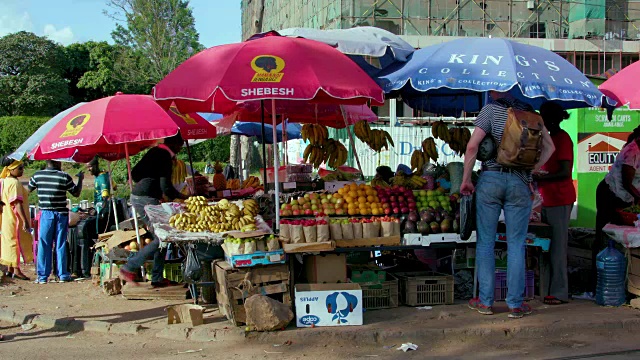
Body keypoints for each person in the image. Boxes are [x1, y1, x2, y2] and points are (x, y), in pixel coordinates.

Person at [460, 91, 555, 319]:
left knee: (485, 243)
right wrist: (530, 170)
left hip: (491, 179)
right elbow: (550, 148)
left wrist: (465, 180)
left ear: (496, 89)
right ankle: (515, 304)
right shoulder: (532, 115)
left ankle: (485, 302)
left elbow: (473, 147)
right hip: (519, 183)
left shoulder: (491, 110)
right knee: (516, 244)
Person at [119, 134, 188, 287]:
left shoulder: (155, 152)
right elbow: (167, 188)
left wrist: (150, 181)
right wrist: (184, 197)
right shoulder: (164, 156)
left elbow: (135, 173)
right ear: (174, 144)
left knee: (161, 236)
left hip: (142, 196)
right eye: (180, 145)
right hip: (145, 199)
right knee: (161, 238)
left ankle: (157, 277)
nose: (180, 149)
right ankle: (129, 266)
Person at [534, 102, 576, 305]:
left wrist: (541, 178)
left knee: (558, 249)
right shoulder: (546, 139)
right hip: (546, 199)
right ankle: (546, 289)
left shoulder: (563, 139)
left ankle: (559, 292)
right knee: (545, 248)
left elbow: (564, 172)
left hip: (560, 199)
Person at [593, 126, 640, 296]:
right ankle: (598, 282)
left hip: (624, 197)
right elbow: (628, 183)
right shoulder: (631, 151)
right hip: (611, 195)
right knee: (605, 235)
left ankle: (625, 278)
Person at [28, 160, 84, 284]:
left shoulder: (37, 176)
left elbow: (28, 190)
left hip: (46, 213)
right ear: (58, 163)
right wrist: (81, 179)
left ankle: (42, 276)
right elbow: (76, 193)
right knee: (61, 244)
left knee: (44, 244)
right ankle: (63, 274)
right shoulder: (64, 176)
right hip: (61, 214)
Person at [0, 158, 33, 280]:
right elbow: (17, 203)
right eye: (20, 168)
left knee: (9, 241)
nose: (22, 170)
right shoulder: (14, 183)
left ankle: (10, 268)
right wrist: (24, 220)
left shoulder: (4, 181)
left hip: (6, 217)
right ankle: (17, 270)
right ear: (11, 169)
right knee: (16, 242)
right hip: (14, 219)